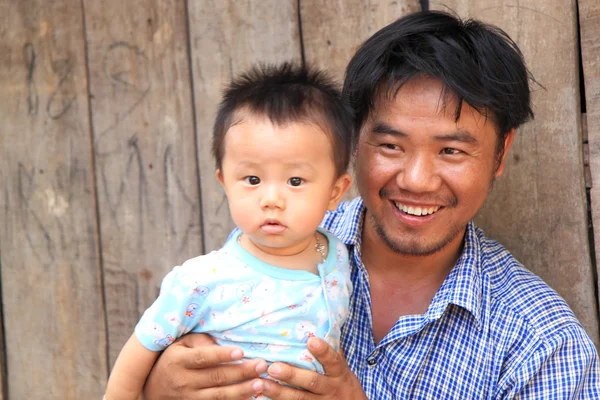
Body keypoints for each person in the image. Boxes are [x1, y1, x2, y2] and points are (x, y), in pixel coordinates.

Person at [142, 10, 600, 399]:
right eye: (390, 146)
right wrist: (159, 385)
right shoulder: (274, 242)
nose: (417, 180)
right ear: (352, 142)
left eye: (452, 151)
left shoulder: (544, 347)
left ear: (500, 153)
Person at [104, 63, 354, 400]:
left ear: (336, 191)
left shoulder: (337, 254)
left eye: (295, 181)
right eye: (252, 179)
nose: (271, 200)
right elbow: (140, 350)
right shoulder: (204, 278)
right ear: (225, 182)